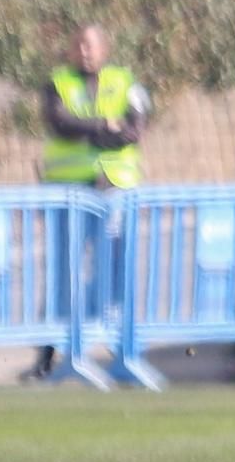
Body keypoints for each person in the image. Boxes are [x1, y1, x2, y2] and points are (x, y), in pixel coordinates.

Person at [25, 23, 149, 380]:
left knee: (114, 271)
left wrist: (100, 132)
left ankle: (120, 350)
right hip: (68, 190)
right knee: (64, 273)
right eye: (78, 44)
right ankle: (49, 354)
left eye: (91, 45)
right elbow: (60, 123)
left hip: (114, 189)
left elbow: (134, 128)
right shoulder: (57, 82)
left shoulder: (125, 81)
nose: (84, 51)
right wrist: (101, 127)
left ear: (105, 48)